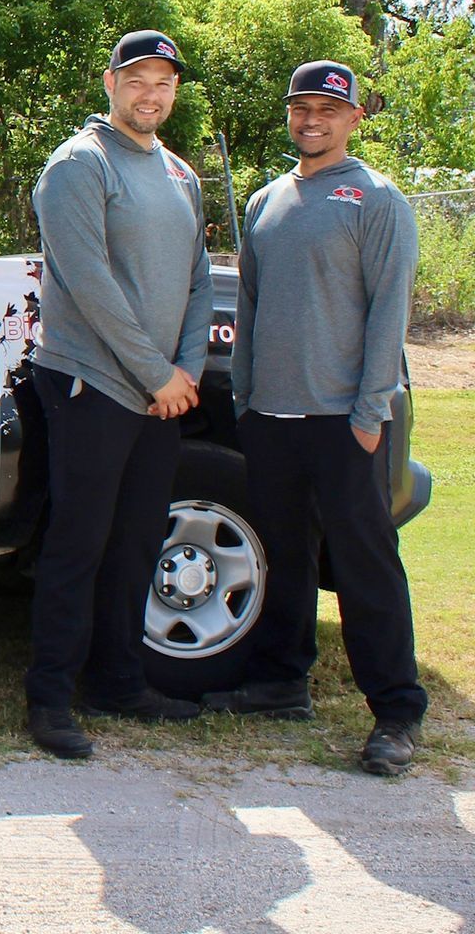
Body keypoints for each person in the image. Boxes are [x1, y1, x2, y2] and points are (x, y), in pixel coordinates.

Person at [209, 60, 427, 776]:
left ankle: (396, 711)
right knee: (284, 558)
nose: (312, 121)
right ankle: (279, 683)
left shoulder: (376, 199)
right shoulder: (267, 201)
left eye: (328, 111)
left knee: (365, 564)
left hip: (347, 420)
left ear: (353, 118)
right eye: (302, 108)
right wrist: (243, 397)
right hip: (271, 416)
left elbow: (389, 314)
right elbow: (249, 305)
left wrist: (370, 414)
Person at [26, 29, 212, 759]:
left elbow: (198, 279)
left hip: (161, 392)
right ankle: (50, 697)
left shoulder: (179, 175)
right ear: (110, 83)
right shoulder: (80, 165)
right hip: (91, 383)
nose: (151, 94)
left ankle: (118, 682)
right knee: (79, 542)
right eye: (138, 79)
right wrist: (153, 373)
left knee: (136, 542)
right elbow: (90, 284)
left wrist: (184, 370)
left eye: (163, 82)